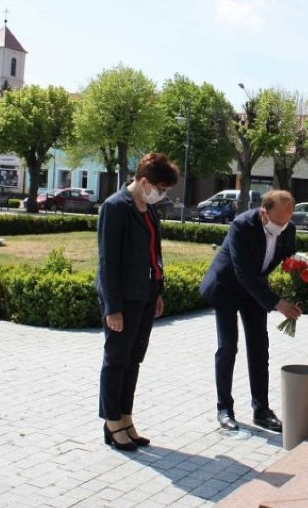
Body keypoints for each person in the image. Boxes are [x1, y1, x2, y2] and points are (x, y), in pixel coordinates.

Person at [200, 190, 302, 432]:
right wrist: (277, 303)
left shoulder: (288, 229)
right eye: (279, 220)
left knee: (259, 348)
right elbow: (242, 272)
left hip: (254, 292)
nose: (283, 225)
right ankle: (224, 408)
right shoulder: (242, 225)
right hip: (226, 287)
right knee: (228, 347)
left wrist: (306, 289)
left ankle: (262, 410)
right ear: (264, 213)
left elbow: (292, 262)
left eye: (287, 219)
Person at [96, 153, 179, 451]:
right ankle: (111, 421)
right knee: (116, 360)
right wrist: (112, 307)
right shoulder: (115, 207)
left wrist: (157, 291)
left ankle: (126, 418)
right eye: (161, 188)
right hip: (123, 299)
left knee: (134, 359)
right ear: (143, 182)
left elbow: (154, 252)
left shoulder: (148, 208)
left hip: (145, 295)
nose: (163, 194)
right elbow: (108, 261)